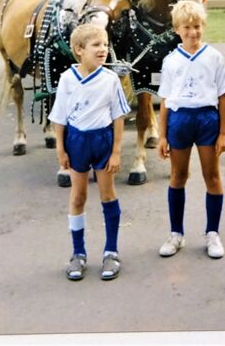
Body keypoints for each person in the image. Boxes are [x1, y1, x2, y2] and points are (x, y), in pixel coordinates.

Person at [48, 23, 130, 281]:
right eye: (96, 45)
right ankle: (78, 253)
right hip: (77, 142)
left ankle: (111, 251)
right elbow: (59, 118)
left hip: (102, 141)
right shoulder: (67, 79)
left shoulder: (110, 80)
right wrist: (61, 149)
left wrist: (116, 151)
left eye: (105, 44)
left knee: (107, 195)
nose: (103, 49)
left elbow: (118, 118)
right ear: (79, 50)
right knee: (78, 197)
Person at [156, 0, 225, 259]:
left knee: (212, 177)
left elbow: (223, 97)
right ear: (177, 29)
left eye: (197, 26)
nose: (193, 32)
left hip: (206, 120)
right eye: (187, 27)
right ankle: (176, 233)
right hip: (180, 121)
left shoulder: (214, 57)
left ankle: (213, 233)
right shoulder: (170, 61)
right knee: (178, 176)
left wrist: (223, 132)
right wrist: (162, 135)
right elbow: (165, 100)